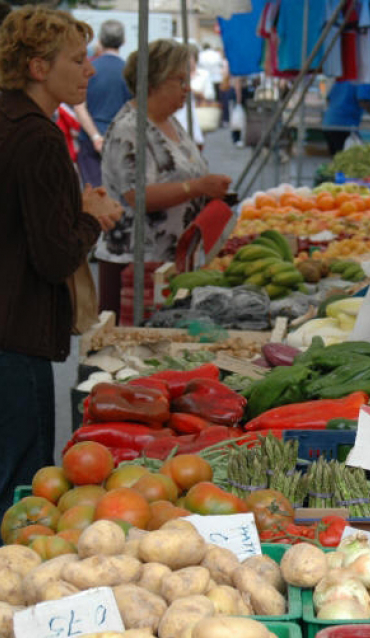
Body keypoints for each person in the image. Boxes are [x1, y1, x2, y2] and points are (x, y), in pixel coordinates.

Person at [0, 6, 122, 512]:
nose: (90, 70)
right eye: (77, 60)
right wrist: (93, 218)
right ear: (38, 67)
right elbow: (54, 258)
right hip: (17, 333)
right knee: (19, 489)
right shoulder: (39, 137)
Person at [96, 39, 232, 315]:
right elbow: (137, 195)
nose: (187, 88)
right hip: (135, 262)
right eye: (179, 80)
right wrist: (197, 187)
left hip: (168, 260)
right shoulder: (129, 129)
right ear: (153, 81)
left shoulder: (170, 121)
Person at [73, 19, 131, 187]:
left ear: (99, 41)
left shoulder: (88, 69)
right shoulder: (129, 72)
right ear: (123, 41)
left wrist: (96, 136)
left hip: (90, 138)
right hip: (121, 139)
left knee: (95, 197)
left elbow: (79, 107)